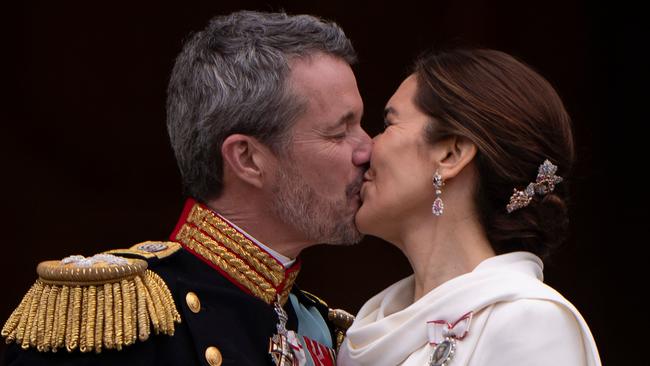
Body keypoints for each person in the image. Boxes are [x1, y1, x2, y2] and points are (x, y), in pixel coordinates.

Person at [2, 10, 370, 366]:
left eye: (361, 125)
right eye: (339, 132)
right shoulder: (120, 318)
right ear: (247, 158)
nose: (368, 149)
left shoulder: (321, 329)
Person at [337, 48, 601, 365]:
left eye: (388, 124)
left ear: (452, 155)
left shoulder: (530, 322)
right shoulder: (369, 329)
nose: (365, 149)